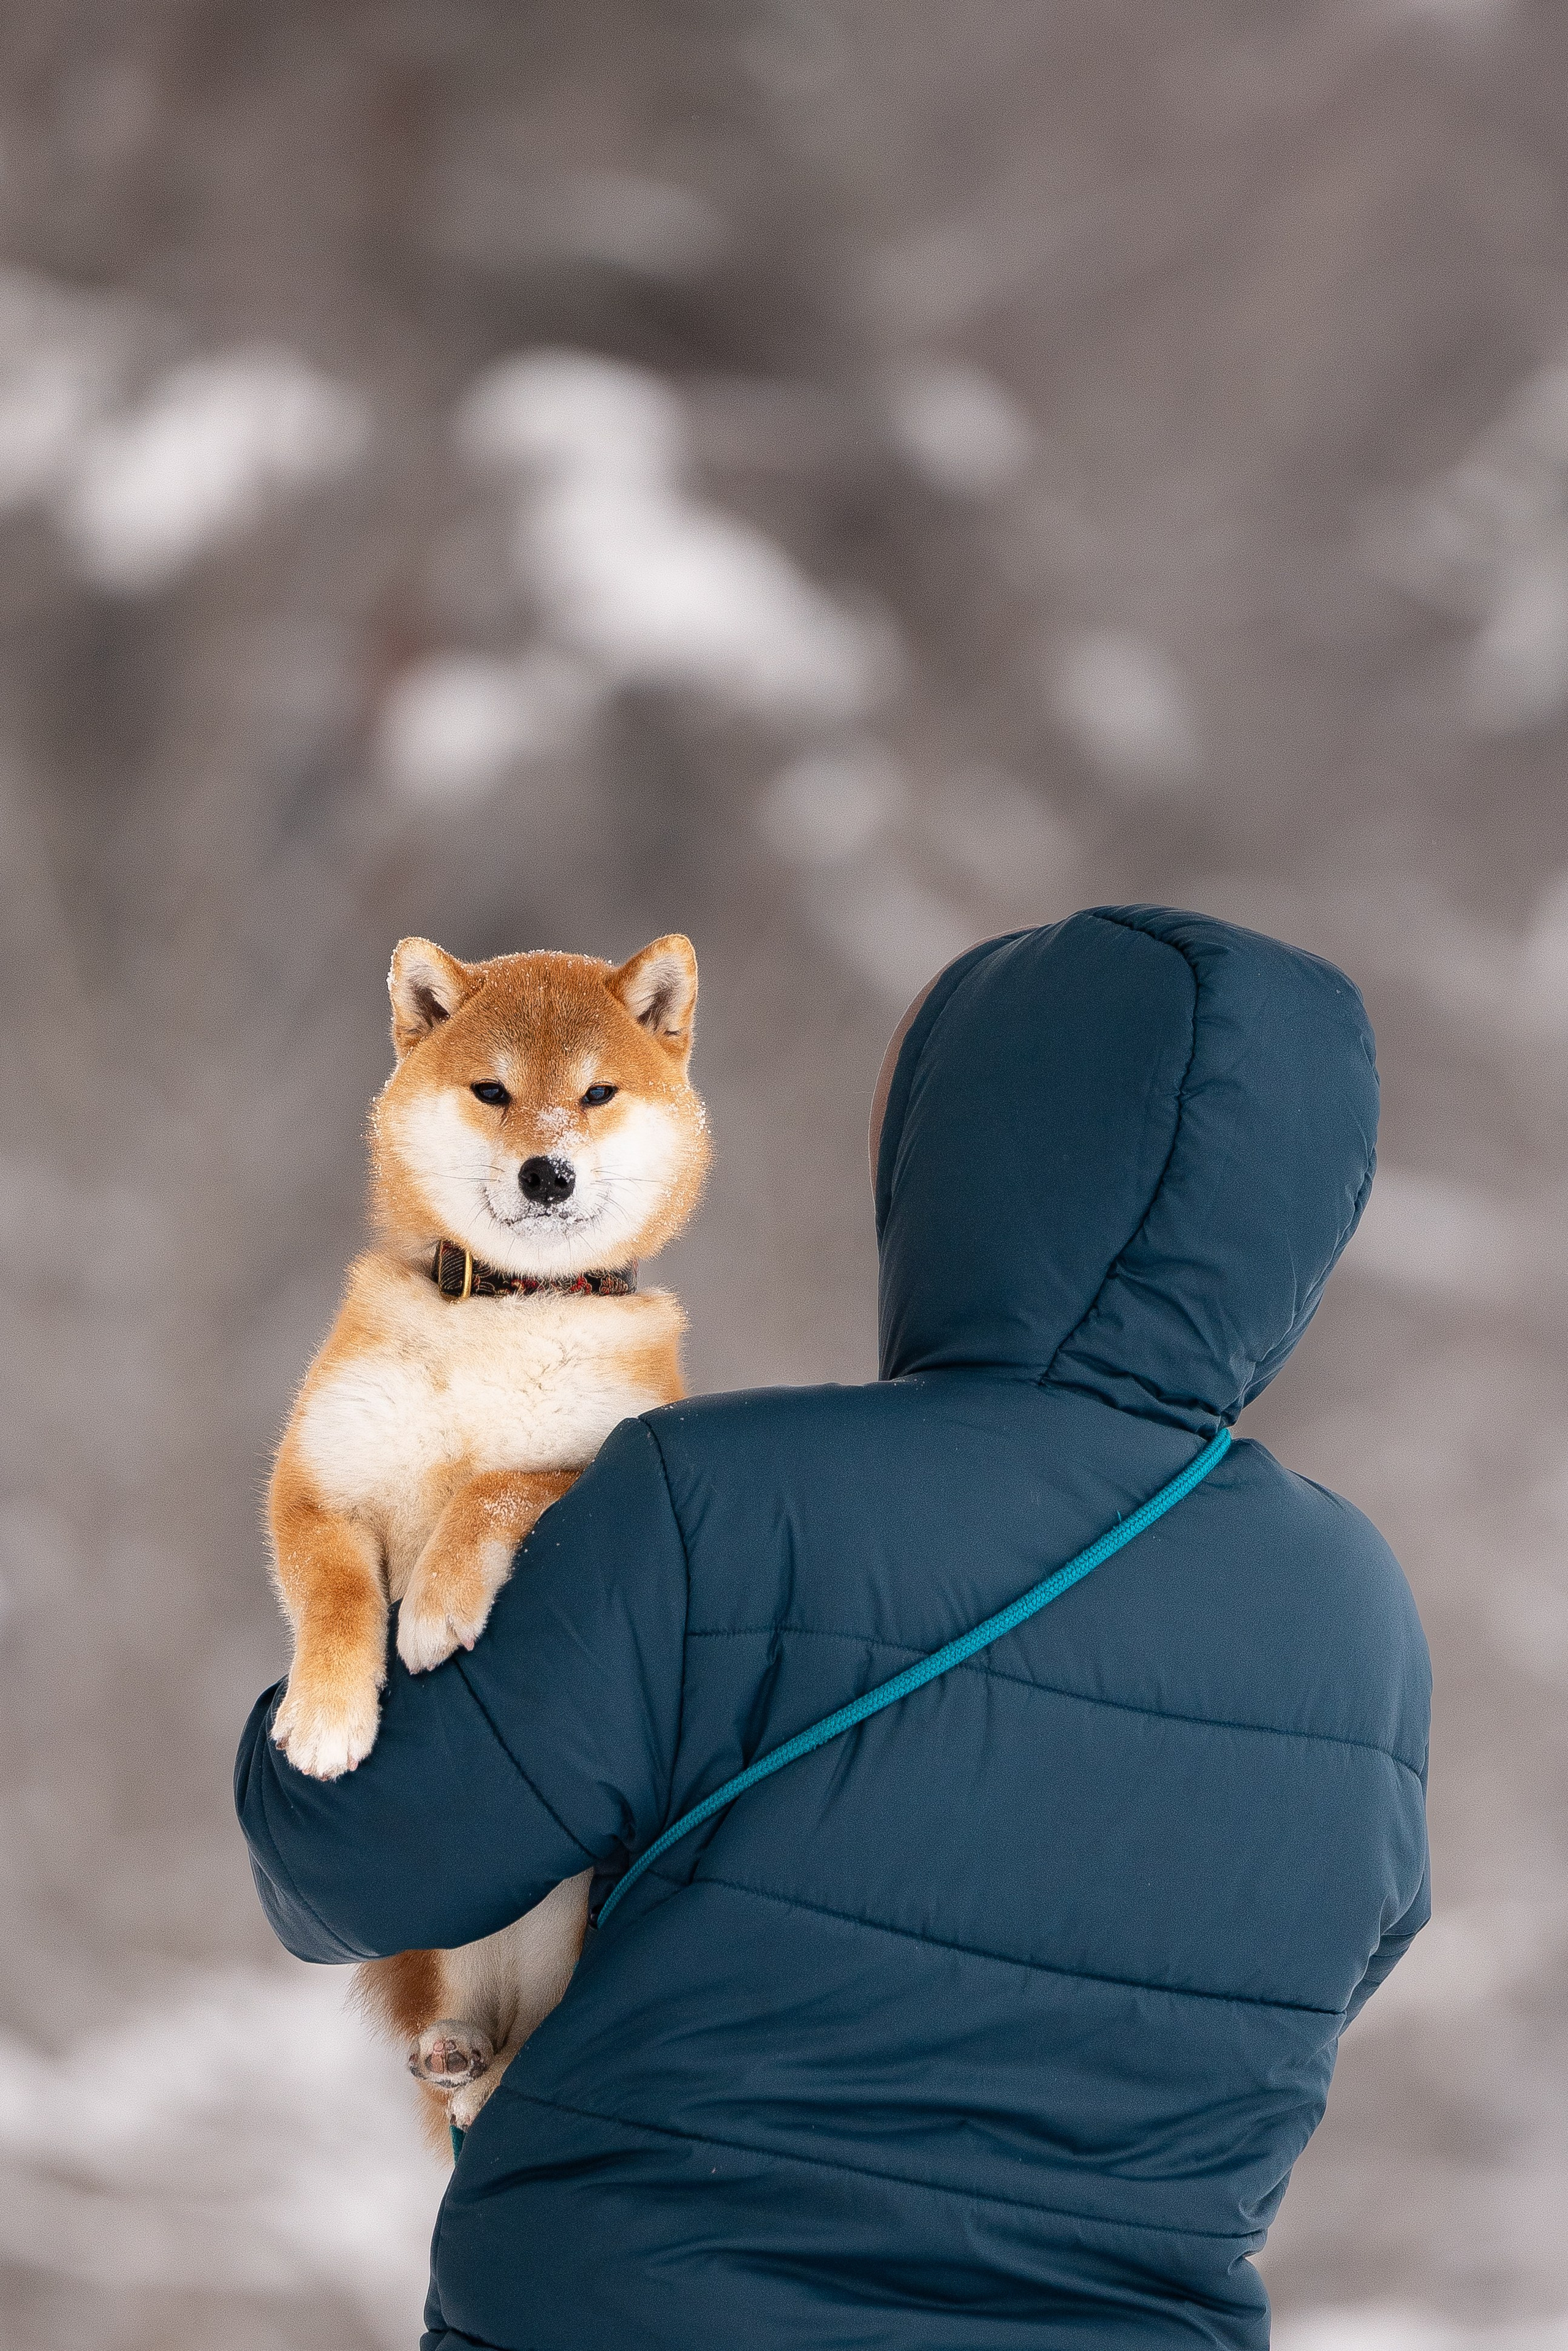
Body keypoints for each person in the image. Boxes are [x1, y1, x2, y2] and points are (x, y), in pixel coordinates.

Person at [236, 905, 1430, 2351]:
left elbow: (358, 1856)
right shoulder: (1360, 1612)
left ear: (959, 1158)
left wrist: (358, 1574)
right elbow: (1329, 1974)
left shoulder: (715, 1495)